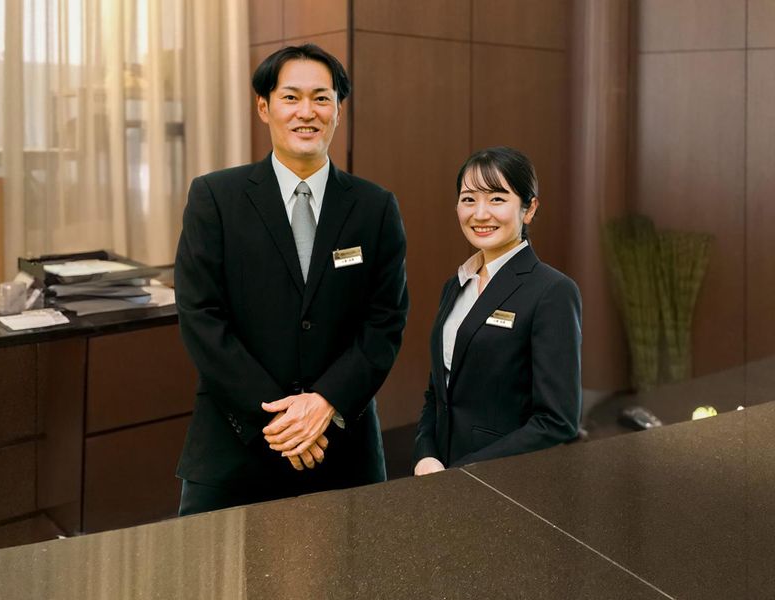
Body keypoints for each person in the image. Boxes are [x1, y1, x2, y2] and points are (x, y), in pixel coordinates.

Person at [175, 44, 409, 513]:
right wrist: (283, 420)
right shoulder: (215, 197)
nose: (307, 112)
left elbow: (384, 322)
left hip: (342, 446)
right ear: (264, 107)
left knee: (355, 562)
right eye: (291, 97)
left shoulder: (374, 207)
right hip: (234, 448)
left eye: (322, 98)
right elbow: (201, 317)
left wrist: (324, 402)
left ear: (338, 110)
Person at [412, 146, 581, 475]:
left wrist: (465, 472)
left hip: (503, 481)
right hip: (438, 475)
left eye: (497, 199)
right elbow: (438, 392)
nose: (480, 214)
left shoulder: (553, 291)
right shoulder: (456, 285)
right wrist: (425, 454)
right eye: (469, 199)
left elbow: (557, 422)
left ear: (529, 209)